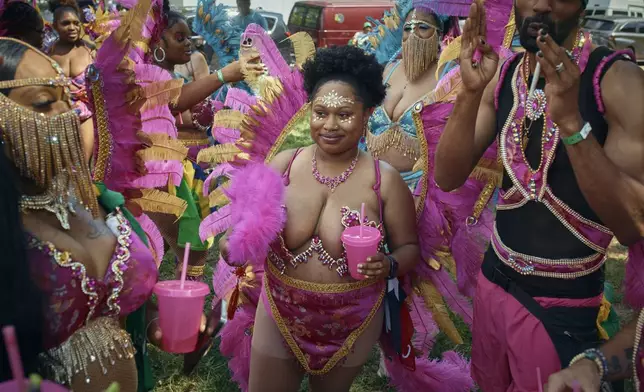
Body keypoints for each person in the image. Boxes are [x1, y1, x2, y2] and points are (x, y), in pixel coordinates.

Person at [201, 38, 474, 390]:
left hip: (353, 323)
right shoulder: (283, 166)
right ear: (310, 110)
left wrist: (388, 264)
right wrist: (234, 243)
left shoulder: (385, 182)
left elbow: (409, 248)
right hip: (280, 314)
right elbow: (246, 229)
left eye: (344, 115)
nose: (330, 125)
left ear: (367, 116)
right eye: (320, 113)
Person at [434, 0, 644, 389]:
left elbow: (633, 225)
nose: (542, 4)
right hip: (493, 284)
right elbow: (446, 176)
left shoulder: (615, 81)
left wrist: (572, 124)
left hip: (559, 307)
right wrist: (469, 91)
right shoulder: (506, 73)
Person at [0, 36, 162, 392]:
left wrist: (157, 328)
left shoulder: (88, 197)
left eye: (67, 99)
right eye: (44, 103)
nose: (68, 115)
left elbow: (126, 314)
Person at [48, 0, 95, 163]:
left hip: (86, 116)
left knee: (81, 166)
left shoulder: (91, 51)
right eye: (65, 23)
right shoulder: (46, 55)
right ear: (55, 25)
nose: (72, 27)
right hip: (58, 116)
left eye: (76, 23)